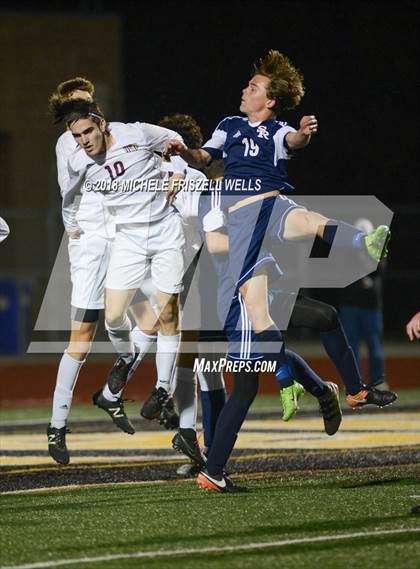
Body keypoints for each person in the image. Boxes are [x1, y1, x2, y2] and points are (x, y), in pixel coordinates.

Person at [165, 49, 394, 492]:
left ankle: (361, 245)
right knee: (238, 374)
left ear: (269, 101)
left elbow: (292, 143)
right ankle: (221, 455)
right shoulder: (213, 189)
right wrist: (188, 156)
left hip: (265, 233)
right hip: (234, 283)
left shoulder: (270, 135)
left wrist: (305, 134)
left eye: (253, 87)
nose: (244, 90)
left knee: (311, 268)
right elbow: (204, 160)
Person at [49, 97, 186, 464]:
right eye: (76, 134)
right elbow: (69, 198)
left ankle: (163, 394)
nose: (83, 140)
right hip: (110, 246)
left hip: (153, 236)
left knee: (163, 315)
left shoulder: (135, 133)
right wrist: (73, 229)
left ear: (101, 122)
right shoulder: (75, 156)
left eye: (87, 131)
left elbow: (173, 143)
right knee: (105, 324)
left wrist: (178, 169)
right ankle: (121, 368)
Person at [338, 218, 387, 389]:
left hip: (371, 308)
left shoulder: (378, 251)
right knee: (351, 347)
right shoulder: (346, 253)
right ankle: (354, 383)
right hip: (350, 307)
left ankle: (378, 381)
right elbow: (343, 273)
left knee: (375, 346)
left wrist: (362, 258)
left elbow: (377, 271)